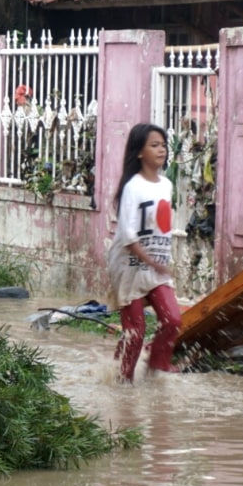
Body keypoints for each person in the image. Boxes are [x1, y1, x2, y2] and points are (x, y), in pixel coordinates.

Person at [107, 123, 182, 382]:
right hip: (128, 267)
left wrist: (160, 263)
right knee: (135, 332)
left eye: (163, 145)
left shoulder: (167, 185)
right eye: (154, 145)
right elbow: (128, 237)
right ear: (140, 152)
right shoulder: (133, 187)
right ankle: (121, 381)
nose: (161, 150)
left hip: (156, 266)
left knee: (172, 319)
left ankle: (156, 368)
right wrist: (154, 262)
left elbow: (162, 229)